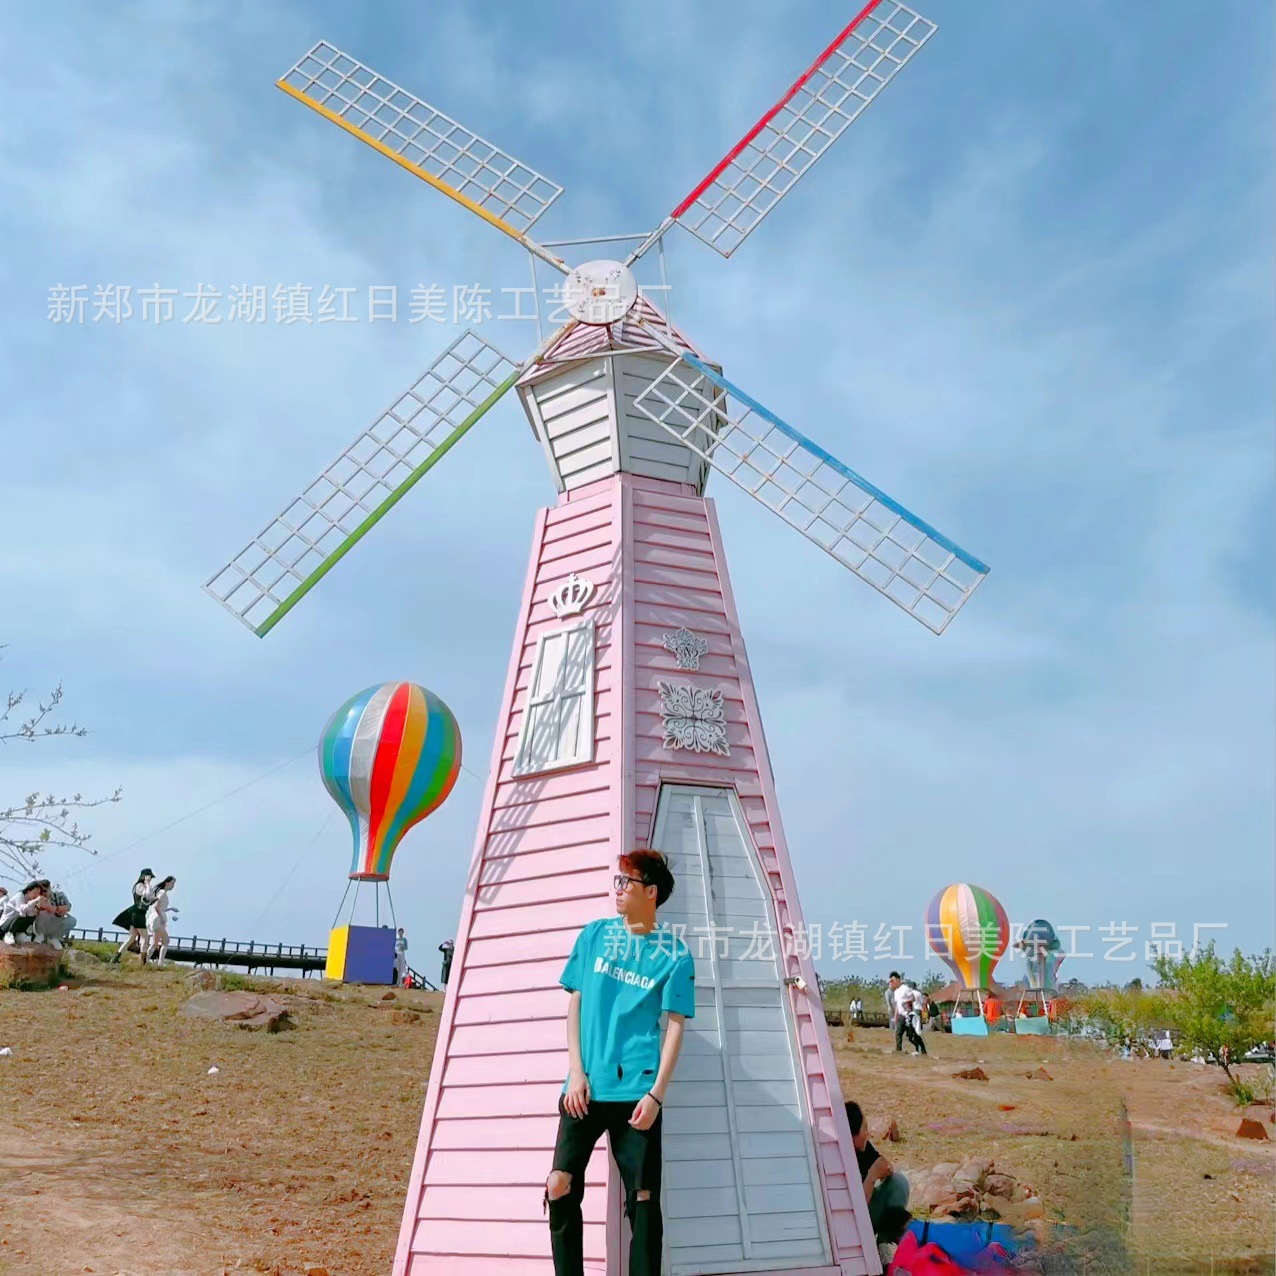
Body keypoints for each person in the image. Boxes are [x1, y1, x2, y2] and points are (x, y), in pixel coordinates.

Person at [544, 850, 695, 1276]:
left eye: (628, 882)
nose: (619, 889)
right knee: (559, 1184)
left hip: (637, 1096)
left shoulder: (675, 955)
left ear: (651, 892)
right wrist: (576, 1071)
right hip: (585, 1088)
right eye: (618, 880)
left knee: (643, 1198)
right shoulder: (594, 935)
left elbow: (676, 1027)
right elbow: (575, 1004)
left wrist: (657, 1095)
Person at [846, 1100, 912, 1241]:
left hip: (869, 1213)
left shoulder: (863, 1148)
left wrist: (885, 1169)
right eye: (864, 1129)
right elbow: (854, 1210)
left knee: (898, 1182)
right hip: (852, 1224)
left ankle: (886, 1240)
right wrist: (871, 1176)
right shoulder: (838, 1160)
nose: (868, 1133)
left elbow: (885, 1165)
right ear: (852, 1136)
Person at [112, 869, 155, 963]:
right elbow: (147, 895)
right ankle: (143, 961)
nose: (151, 879)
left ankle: (116, 958)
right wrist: (147, 883)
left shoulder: (144, 886)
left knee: (132, 937)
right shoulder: (140, 886)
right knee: (145, 937)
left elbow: (150, 897)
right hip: (138, 913)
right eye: (149, 877)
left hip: (138, 912)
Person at [888, 972, 927, 1055]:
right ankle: (898, 1050)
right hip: (901, 1015)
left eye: (892, 980)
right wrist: (895, 1016)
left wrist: (906, 1003)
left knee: (912, 1035)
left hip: (908, 1015)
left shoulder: (905, 988)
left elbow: (913, 998)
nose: (891, 983)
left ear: (898, 980)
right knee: (898, 1033)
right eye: (890, 981)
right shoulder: (896, 992)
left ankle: (923, 1050)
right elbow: (897, 1005)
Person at [145, 875, 178, 966]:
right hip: (158, 919)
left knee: (155, 943)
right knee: (166, 941)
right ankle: (160, 963)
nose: (173, 886)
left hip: (156, 919)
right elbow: (157, 907)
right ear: (167, 883)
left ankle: (145, 960)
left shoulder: (161, 892)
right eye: (172, 883)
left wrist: (170, 909)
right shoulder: (162, 893)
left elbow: (160, 907)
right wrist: (162, 918)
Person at [32, 881, 75, 949]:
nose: (43, 893)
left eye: (45, 891)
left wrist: (57, 909)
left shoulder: (60, 895)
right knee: (43, 913)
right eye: (41, 892)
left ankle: (54, 938)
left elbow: (68, 907)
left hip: (55, 922)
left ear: (49, 889)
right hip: (41, 925)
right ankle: (40, 935)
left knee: (72, 920)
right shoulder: (36, 898)